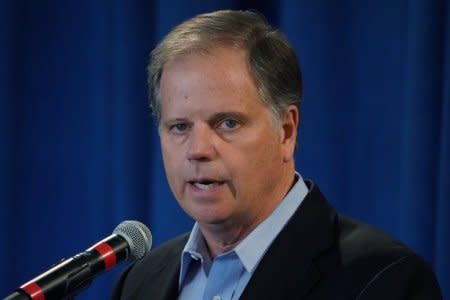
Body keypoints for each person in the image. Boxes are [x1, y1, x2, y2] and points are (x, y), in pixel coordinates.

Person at [111, 10, 442, 300]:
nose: (198, 150)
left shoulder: (386, 281)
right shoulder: (139, 284)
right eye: (180, 127)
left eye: (227, 123)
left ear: (286, 131)